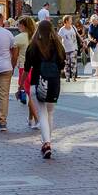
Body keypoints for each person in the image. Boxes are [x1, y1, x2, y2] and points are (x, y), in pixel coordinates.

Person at [22, 19, 63, 159]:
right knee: (50, 113)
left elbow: (27, 68)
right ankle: (47, 142)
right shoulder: (57, 45)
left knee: (42, 114)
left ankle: (47, 143)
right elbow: (62, 65)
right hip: (53, 83)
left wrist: (21, 84)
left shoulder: (33, 45)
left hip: (37, 82)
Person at [14, 16, 38, 129]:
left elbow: (15, 56)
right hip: (36, 68)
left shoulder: (18, 38)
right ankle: (30, 119)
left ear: (23, 25)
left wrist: (12, 66)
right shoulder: (36, 36)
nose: (17, 26)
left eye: (19, 24)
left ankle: (37, 119)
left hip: (24, 68)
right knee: (31, 95)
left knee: (27, 94)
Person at [57, 15, 80, 81]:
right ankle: (67, 78)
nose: (71, 21)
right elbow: (59, 39)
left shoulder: (73, 27)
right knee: (67, 64)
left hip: (74, 48)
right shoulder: (62, 30)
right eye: (70, 19)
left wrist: (83, 41)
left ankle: (73, 77)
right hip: (65, 49)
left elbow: (77, 35)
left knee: (73, 63)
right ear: (66, 21)